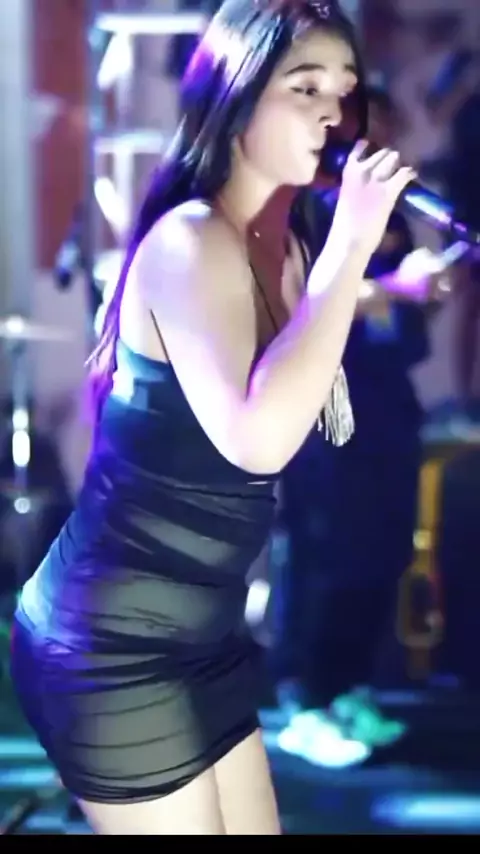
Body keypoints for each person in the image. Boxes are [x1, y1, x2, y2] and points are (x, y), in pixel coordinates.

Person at [9, 0, 415, 836]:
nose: (335, 114)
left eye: (344, 90)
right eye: (305, 87)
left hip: (202, 639)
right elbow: (256, 441)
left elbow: (306, 413)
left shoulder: (288, 250)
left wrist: (350, 266)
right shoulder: (190, 242)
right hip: (112, 646)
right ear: (237, 95)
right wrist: (349, 251)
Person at [272, 85, 448, 767]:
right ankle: (304, 700)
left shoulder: (393, 213)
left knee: (382, 549)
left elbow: (391, 312)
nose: (391, 149)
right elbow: (306, 304)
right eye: (377, 134)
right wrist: (398, 289)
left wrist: (424, 294)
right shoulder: (306, 205)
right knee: (326, 554)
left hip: (385, 401)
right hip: (326, 404)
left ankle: (349, 688)